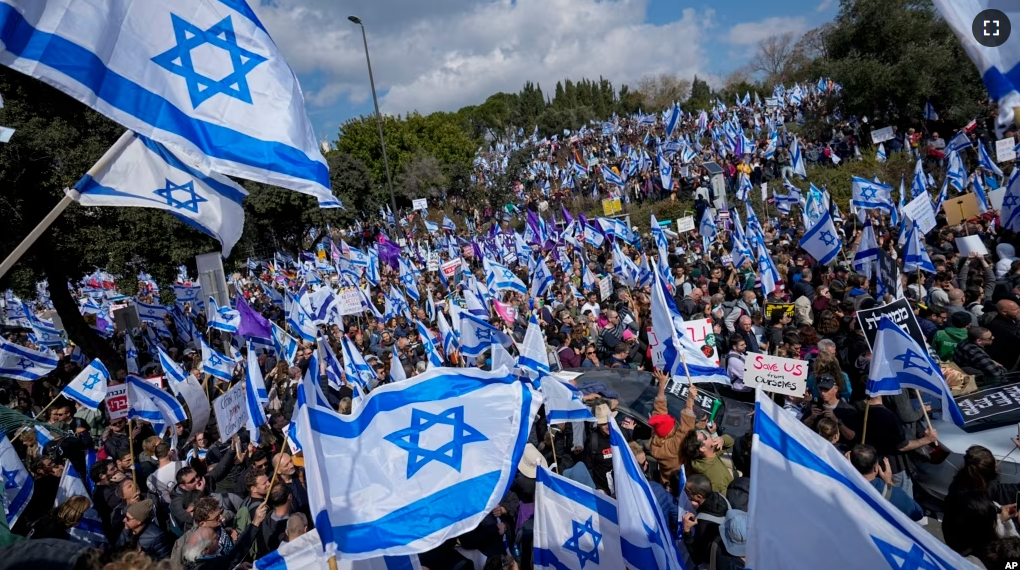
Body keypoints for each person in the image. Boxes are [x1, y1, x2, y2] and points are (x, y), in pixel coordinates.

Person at [647, 369, 697, 484]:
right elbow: (686, 429)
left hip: (665, 480)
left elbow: (659, 410)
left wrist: (662, 384)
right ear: (671, 431)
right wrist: (690, 400)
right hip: (679, 483)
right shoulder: (672, 448)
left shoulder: (655, 437)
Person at [849, 445, 923, 521]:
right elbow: (918, 513)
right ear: (875, 468)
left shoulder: (842, 486)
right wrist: (889, 483)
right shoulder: (891, 493)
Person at [582, 404, 614, 494]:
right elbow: (588, 467)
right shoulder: (593, 441)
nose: (607, 426)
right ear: (599, 424)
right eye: (604, 423)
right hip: (602, 489)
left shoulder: (618, 436)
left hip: (620, 486)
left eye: (609, 422)